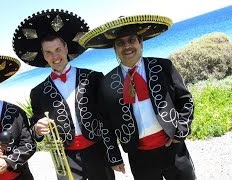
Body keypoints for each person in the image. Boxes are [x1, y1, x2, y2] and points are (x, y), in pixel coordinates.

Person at [79, 15, 196, 180]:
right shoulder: (106, 82)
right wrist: (114, 155)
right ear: (115, 48)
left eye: (131, 40)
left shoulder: (163, 66)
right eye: (120, 43)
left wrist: (181, 131)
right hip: (139, 156)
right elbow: (104, 122)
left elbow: (185, 99)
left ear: (140, 42)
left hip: (174, 148)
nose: (127, 46)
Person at [12, 9, 115, 180]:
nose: (55, 56)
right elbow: (34, 128)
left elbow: (108, 116)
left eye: (58, 49)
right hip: (66, 157)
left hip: (98, 151)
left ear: (66, 48)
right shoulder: (37, 93)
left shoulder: (93, 78)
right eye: (49, 52)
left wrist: (114, 153)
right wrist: (37, 129)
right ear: (43, 56)